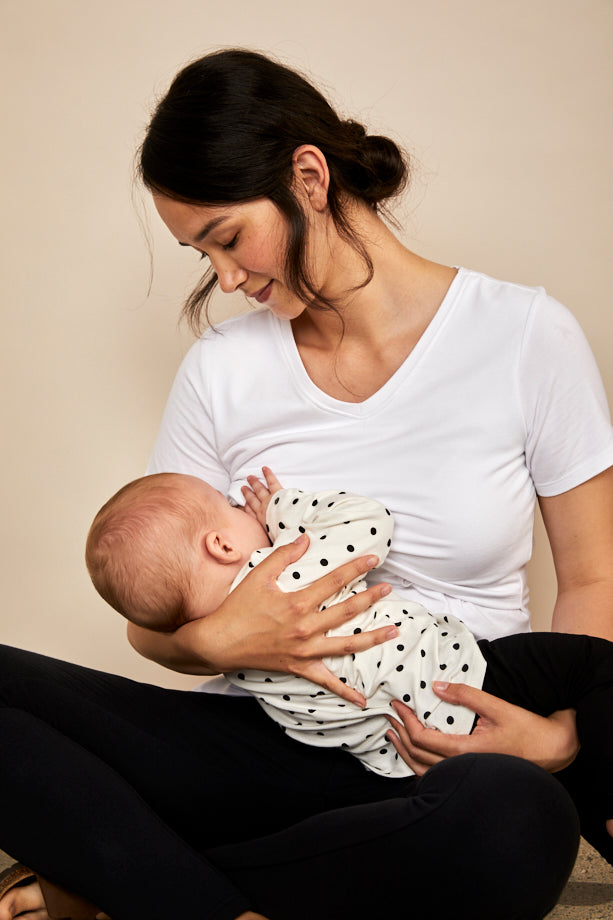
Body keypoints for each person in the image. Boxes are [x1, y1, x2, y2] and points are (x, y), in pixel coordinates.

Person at [0, 46, 611, 920]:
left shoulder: (523, 335)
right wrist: (221, 642)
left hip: (445, 738)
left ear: (309, 177)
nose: (226, 278)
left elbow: (594, 577)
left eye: (226, 238)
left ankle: (128, 881)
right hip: (262, 738)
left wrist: (557, 740)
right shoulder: (222, 370)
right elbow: (154, 617)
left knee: (516, 826)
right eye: (199, 254)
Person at [85, 466, 613, 830]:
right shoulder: (282, 575)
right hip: (464, 677)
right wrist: (278, 509)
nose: (239, 509)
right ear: (221, 546)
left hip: (403, 759)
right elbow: (369, 522)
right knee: (594, 666)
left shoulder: (233, 655)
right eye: (227, 507)